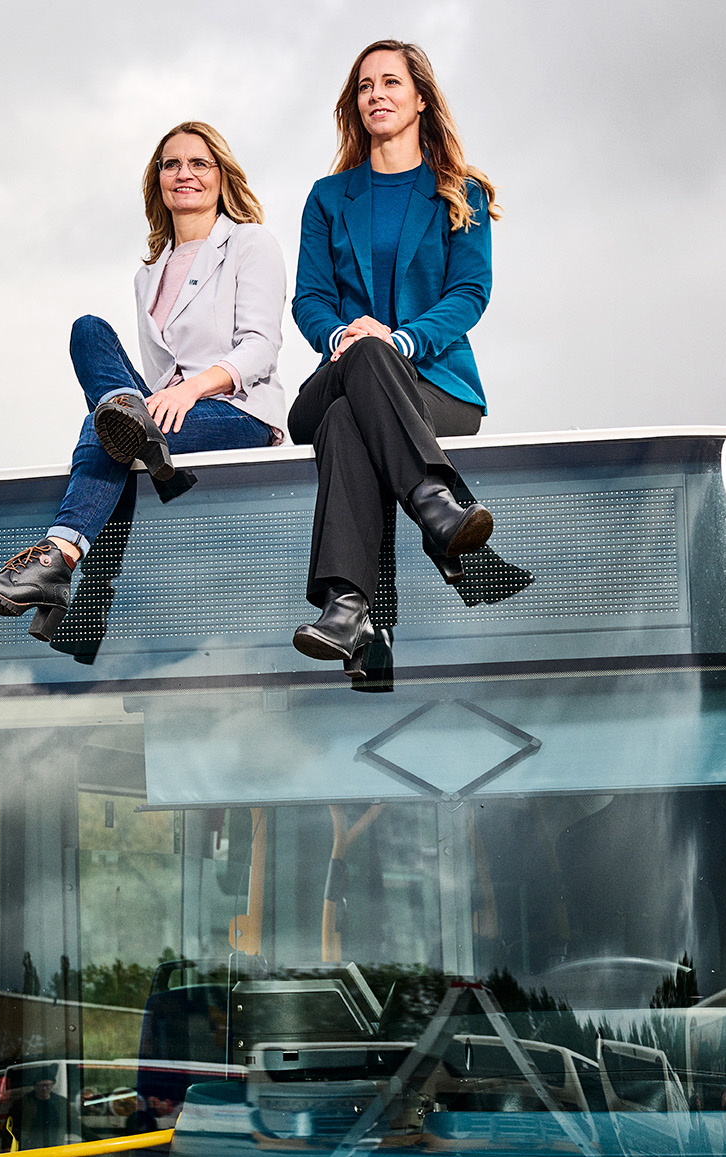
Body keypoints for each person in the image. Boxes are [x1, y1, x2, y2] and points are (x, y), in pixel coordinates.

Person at [0, 121, 286, 641]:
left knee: (105, 425)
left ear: (222, 176)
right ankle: (129, 434)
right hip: (164, 416)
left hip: (236, 411)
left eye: (199, 163)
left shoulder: (250, 243)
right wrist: (153, 401)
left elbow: (260, 348)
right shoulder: (149, 273)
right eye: (171, 164)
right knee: (89, 334)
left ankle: (58, 557)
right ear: (157, 180)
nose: (184, 174)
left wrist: (189, 390)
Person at [288, 40, 503, 678]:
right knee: (352, 382)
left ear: (420, 99)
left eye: (390, 83)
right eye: (364, 87)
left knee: (348, 421)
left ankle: (348, 605)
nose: (376, 95)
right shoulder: (329, 198)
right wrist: (342, 340)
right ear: (353, 105)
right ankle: (434, 504)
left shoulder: (460, 193)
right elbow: (310, 299)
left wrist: (401, 342)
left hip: (436, 388)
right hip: (341, 369)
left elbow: (470, 293)